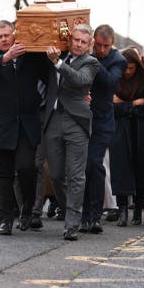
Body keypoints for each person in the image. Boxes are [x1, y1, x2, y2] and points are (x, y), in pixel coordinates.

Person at [0, 20, 48, 235]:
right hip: (2, 126)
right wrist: (6, 57)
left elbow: (50, 75)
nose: (3, 39)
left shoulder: (30, 56)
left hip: (27, 125)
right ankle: (5, 219)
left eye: (7, 35)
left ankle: (27, 210)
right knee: (3, 174)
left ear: (14, 35)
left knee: (28, 169)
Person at [44, 24, 100, 240]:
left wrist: (57, 63)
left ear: (89, 44)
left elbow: (80, 80)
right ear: (70, 40)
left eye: (83, 42)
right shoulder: (57, 54)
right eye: (75, 40)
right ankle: (71, 209)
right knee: (57, 175)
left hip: (77, 122)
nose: (78, 44)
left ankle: (72, 224)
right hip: (53, 120)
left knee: (76, 175)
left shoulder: (91, 62)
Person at [80, 24, 127, 234]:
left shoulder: (118, 60)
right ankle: (82, 215)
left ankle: (95, 215)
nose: (101, 49)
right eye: (97, 45)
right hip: (81, 118)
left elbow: (110, 83)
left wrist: (93, 60)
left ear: (112, 44)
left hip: (102, 121)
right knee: (81, 167)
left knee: (94, 164)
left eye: (105, 46)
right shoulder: (84, 52)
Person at [109, 49, 144, 226]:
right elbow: (111, 108)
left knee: (140, 167)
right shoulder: (115, 80)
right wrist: (133, 104)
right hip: (120, 130)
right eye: (125, 68)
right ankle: (122, 210)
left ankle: (138, 209)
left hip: (140, 129)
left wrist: (124, 105)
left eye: (132, 68)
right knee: (121, 168)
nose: (128, 71)